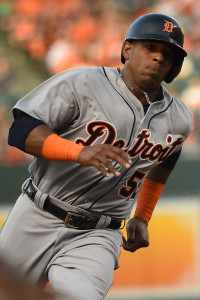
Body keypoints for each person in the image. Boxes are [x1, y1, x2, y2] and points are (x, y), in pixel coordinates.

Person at [0, 13, 193, 300]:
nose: (158, 58)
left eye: (167, 54)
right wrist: (78, 152)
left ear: (174, 66)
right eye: (150, 47)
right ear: (128, 49)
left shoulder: (179, 119)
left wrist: (142, 215)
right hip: (36, 215)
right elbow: (21, 131)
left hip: (98, 233)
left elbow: (167, 158)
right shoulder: (82, 82)